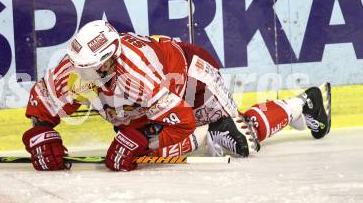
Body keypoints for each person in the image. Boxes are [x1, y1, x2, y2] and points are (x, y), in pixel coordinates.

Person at [22, 20, 331, 171]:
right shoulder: (75, 69)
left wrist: (140, 143)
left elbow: (181, 122)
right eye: (81, 69)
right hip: (150, 98)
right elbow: (46, 101)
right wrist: (39, 131)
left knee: (238, 139)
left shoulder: (137, 73)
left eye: (92, 69)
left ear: (112, 59)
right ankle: (210, 136)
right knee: (144, 132)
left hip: (192, 79)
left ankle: (301, 105)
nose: (84, 78)